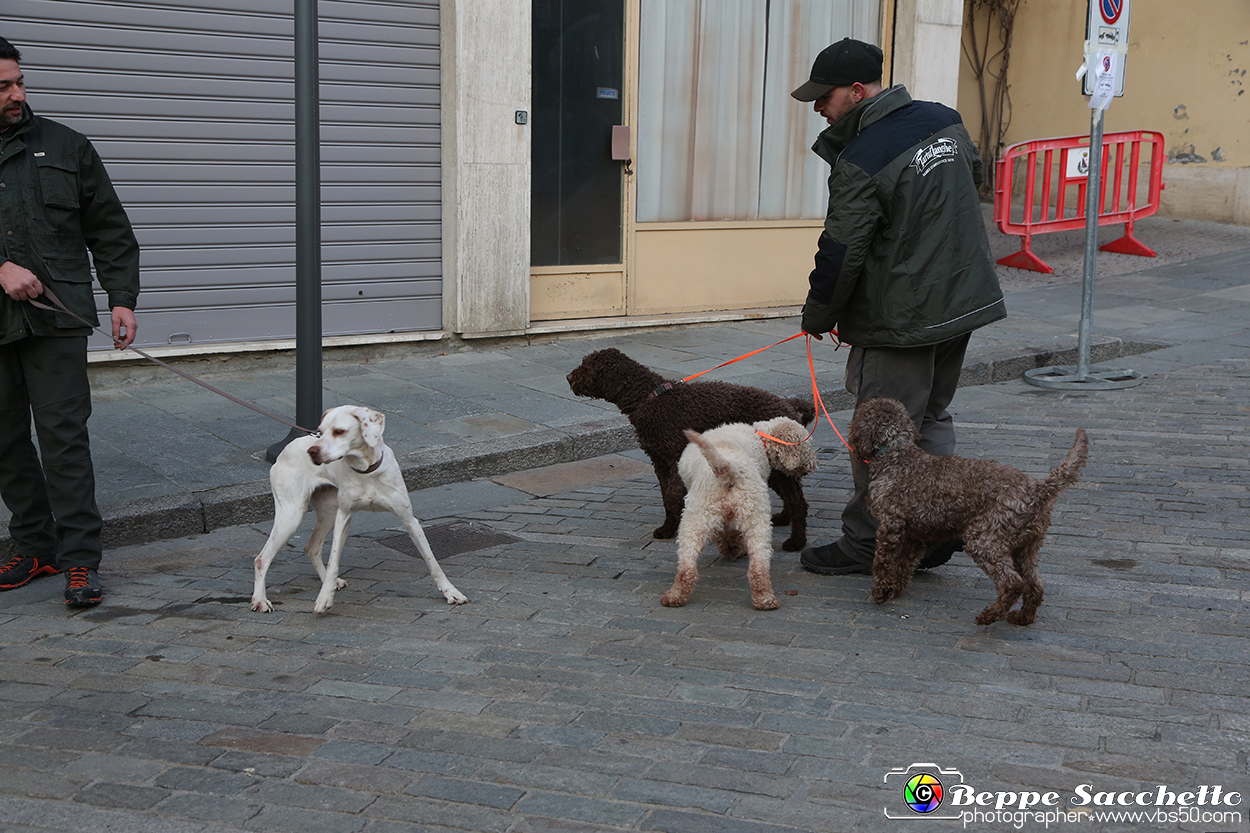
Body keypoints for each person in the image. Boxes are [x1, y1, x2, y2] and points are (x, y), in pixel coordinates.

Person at [791, 38, 1005, 576]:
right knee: (930, 419)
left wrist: (818, 315)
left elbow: (842, 250)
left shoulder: (862, 156)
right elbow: (967, 186)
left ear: (857, 91)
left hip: (902, 320)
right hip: (963, 302)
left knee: (882, 431)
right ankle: (931, 532)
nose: (817, 107)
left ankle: (868, 542)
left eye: (824, 97)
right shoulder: (946, 120)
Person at [0, 36, 140, 606]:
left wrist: (122, 298)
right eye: (2, 87)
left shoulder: (66, 145)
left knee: (63, 438)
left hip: (56, 320)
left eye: (18, 81)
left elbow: (108, 226)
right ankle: (35, 545)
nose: (16, 94)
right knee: (5, 441)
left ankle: (81, 558)